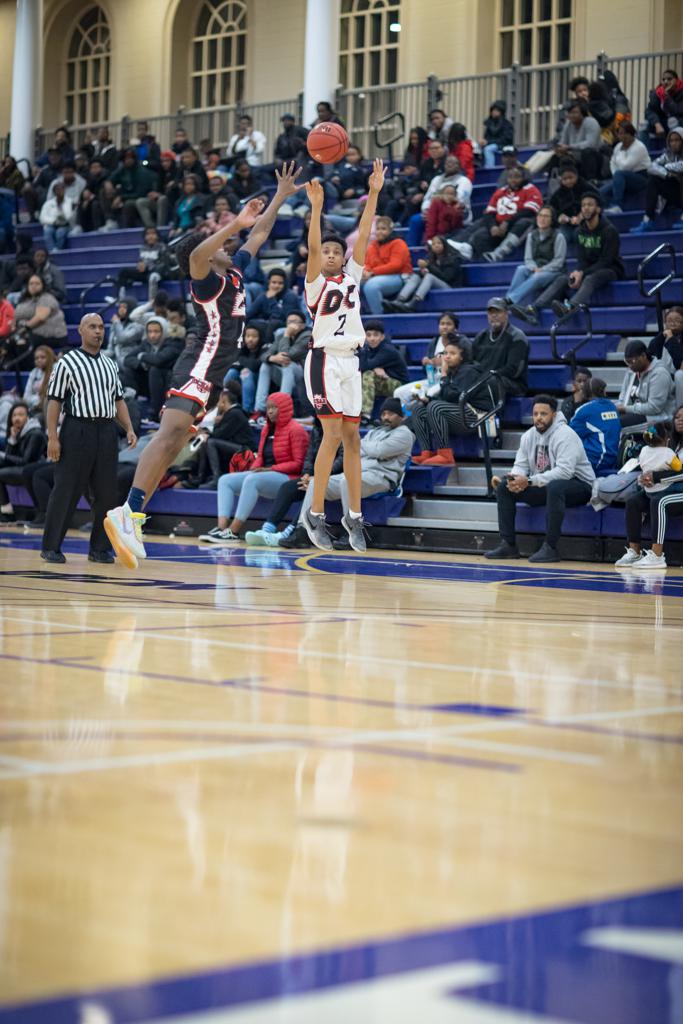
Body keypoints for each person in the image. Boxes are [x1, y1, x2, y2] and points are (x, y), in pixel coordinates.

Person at [104, 162, 306, 569]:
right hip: (198, 362)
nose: (229, 248)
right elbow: (197, 251)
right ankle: (126, 511)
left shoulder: (233, 273)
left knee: (176, 443)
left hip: (214, 374)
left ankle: (134, 515)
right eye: (222, 247)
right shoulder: (206, 279)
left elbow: (261, 233)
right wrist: (233, 224)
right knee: (168, 436)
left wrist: (281, 197)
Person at [300, 158, 385, 553]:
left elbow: (364, 232)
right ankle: (314, 514)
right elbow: (314, 245)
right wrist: (316, 209)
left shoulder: (353, 276)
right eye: (328, 252)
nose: (332, 254)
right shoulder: (315, 282)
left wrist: (375, 193)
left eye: (338, 250)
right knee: (331, 433)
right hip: (323, 360)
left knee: (353, 439)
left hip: (350, 361)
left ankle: (354, 515)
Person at [41, 314, 137, 564]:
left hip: (106, 431)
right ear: (81, 331)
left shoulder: (109, 363)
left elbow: (118, 399)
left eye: (101, 328)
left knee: (107, 493)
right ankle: (51, 546)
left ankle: (99, 548)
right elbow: (54, 401)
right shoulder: (67, 362)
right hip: (76, 429)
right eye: (92, 327)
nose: (98, 332)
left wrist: (128, 427)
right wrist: (53, 436)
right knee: (66, 489)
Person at [485, 394, 596, 563]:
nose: (538, 418)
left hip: (580, 486)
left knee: (556, 487)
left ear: (553, 414)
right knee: (503, 488)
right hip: (547, 485)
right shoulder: (528, 436)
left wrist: (529, 481)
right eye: (535, 414)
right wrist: (514, 479)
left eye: (543, 414)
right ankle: (508, 545)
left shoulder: (566, 435)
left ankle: (550, 548)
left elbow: (564, 472)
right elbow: (521, 465)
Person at [298, 396, 414, 550]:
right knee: (316, 482)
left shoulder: (405, 434)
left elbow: (378, 450)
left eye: (391, 414)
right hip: (361, 473)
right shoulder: (375, 432)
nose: (386, 417)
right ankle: (303, 530)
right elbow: (356, 448)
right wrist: (366, 446)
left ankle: (351, 530)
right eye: (384, 413)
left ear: (401, 415)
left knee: (349, 481)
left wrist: (364, 445)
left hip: (382, 478)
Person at [199, 392, 308, 543]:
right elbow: (261, 456)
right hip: (265, 475)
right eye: (268, 408)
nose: (269, 411)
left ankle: (234, 531)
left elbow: (298, 464)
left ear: (284, 409)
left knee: (252, 480)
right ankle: (222, 528)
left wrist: (270, 469)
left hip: (287, 478)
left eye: (274, 408)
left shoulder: (296, 430)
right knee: (225, 480)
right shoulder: (266, 429)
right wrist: (254, 467)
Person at [244, 416, 344, 547]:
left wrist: (321, 476)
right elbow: (309, 456)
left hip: (334, 477)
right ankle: (267, 529)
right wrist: (306, 474)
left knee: (313, 489)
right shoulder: (317, 428)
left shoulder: (344, 427)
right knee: (288, 488)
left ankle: (289, 533)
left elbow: (343, 458)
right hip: (314, 475)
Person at [534, 193, 625, 316]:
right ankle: (535, 308)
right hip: (589, 269)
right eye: (583, 205)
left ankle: (570, 307)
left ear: (598, 209)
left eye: (590, 205)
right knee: (564, 278)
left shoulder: (609, 231)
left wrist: (582, 273)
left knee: (590, 278)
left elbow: (606, 261)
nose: (586, 208)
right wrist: (578, 272)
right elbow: (582, 260)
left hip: (611, 269)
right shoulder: (578, 232)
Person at [617, 407, 683, 569]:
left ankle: (657, 555)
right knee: (633, 501)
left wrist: (656, 477)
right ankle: (634, 551)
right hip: (663, 488)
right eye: (677, 417)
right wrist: (644, 478)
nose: (680, 420)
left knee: (659, 502)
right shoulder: (667, 442)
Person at [409, 336, 485, 466]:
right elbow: (446, 397)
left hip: (476, 416)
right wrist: (426, 400)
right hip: (458, 413)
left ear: (462, 357)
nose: (447, 357)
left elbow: (455, 397)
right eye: (445, 353)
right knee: (419, 409)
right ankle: (426, 453)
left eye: (452, 353)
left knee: (435, 407)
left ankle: (445, 455)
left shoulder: (469, 371)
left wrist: (443, 375)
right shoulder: (453, 372)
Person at [448, 168, 542, 262]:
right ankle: (469, 251)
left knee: (525, 222)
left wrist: (507, 222)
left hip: (516, 226)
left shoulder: (531, 189)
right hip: (499, 227)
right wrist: (493, 226)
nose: (513, 180)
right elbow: (490, 212)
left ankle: (498, 253)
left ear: (523, 178)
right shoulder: (501, 191)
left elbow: (530, 211)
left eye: (517, 177)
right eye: (510, 177)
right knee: (480, 234)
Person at [184, 383, 254, 489]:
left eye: (219, 401)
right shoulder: (230, 414)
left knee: (210, 441)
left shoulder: (235, 414)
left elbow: (220, 435)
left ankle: (217, 478)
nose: (218, 405)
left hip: (245, 451)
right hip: (236, 447)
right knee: (205, 442)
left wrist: (212, 428)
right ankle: (200, 477)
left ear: (224, 401)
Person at [505, 206, 567, 324]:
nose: (542, 219)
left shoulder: (559, 236)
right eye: (540, 215)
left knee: (537, 276)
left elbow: (559, 261)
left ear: (552, 219)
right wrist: (533, 267)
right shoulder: (531, 235)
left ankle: (510, 300)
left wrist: (542, 269)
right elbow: (528, 258)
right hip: (536, 268)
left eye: (546, 216)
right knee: (521, 269)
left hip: (554, 271)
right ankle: (509, 300)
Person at [393, 312, 467, 407]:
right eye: (442, 324)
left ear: (456, 328)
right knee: (399, 393)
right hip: (432, 380)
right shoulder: (434, 342)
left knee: (427, 395)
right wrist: (427, 363)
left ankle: (415, 418)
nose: (444, 327)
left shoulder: (462, 342)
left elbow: (467, 364)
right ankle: (404, 418)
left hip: (450, 381)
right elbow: (426, 371)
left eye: (448, 324)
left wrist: (445, 362)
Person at [122, 315, 184, 421]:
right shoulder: (146, 343)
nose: (152, 335)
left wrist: (142, 356)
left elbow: (158, 360)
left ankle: (155, 414)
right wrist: (142, 364)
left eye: (156, 331)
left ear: (164, 331)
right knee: (128, 371)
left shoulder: (174, 342)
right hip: (150, 384)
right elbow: (127, 359)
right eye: (149, 332)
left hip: (169, 384)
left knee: (155, 370)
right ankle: (130, 406)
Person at [252, 310, 310, 416]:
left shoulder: (307, 336)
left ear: (303, 325)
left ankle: (282, 409)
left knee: (289, 365)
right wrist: (272, 358)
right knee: (265, 365)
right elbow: (264, 355)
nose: (291, 325)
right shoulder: (281, 336)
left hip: (302, 376)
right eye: (288, 322)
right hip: (284, 375)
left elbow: (287, 355)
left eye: (294, 321)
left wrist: (287, 335)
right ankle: (259, 409)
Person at [406, 154, 472, 246]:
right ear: (444, 165)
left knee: (443, 217)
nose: (450, 165)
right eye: (448, 162)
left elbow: (456, 200)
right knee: (415, 220)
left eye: (454, 163)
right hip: (433, 212)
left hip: (455, 214)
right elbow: (428, 198)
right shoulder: (436, 179)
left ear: (459, 166)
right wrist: (426, 210)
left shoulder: (464, 181)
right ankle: (412, 249)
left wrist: (438, 199)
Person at [387, 234, 462, 313]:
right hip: (434, 284)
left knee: (429, 277)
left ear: (445, 245)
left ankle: (412, 303)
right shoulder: (430, 258)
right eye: (433, 244)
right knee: (416, 276)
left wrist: (428, 267)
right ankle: (399, 300)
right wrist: (421, 272)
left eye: (439, 243)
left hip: (449, 287)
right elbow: (427, 271)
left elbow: (446, 277)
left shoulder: (452, 259)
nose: (436, 245)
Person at [471, 298, 529, 398]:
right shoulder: (481, 336)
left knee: (491, 382)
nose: (494, 315)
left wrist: (486, 376)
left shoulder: (517, 336)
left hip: (512, 383)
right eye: (491, 312)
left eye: (498, 311)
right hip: (484, 380)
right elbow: (472, 362)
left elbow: (514, 371)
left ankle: (485, 412)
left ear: (506, 314)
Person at [0, 401, 47, 522]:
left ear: (28, 417)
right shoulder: (19, 432)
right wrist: (12, 440)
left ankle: (8, 513)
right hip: (24, 469)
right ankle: (6, 511)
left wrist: (4, 456)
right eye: (14, 415)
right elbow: (10, 459)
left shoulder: (35, 433)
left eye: (21, 415)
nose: (17, 418)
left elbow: (26, 460)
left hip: (34, 470)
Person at [630, 127, 683, 233]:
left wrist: (667, 167)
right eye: (671, 141)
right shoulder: (667, 155)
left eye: (677, 140)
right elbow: (651, 167)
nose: (673, 143)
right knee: (653, 179)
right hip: (676, 196)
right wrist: (667, 174)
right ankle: (648, 220)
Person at [358, 320, 409, 421]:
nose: (372, 338)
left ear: (382, 337)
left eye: (376, 335)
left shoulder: (387, 349)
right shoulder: (368, 349)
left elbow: (363, 366)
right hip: (383, 382)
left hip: (399, 385)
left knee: (368, 374)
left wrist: (370, 366)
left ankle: (366, 415)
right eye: (368, 335)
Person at [360, 216, 412, 314]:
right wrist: (365, 271)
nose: (380, 232)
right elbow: (367, 263)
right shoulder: (373, 245)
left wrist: (372, 272)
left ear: (391, 230)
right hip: (377, 276)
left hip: (399, 277)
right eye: (378, 229)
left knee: (371, 286)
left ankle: (379, 318)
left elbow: (396, 265)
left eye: (383, 229)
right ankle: (363, 314)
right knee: (352, 284)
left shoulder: (399, 243)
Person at [569, 377, 620, 476]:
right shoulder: (612, 406)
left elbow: (569, 436)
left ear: (585, 392)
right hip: (613, 458)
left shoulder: (584, 410)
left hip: (596, 461)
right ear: (603, 391)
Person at [616, 340, 675, 427]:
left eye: (632, 361)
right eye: (626, 362)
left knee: (617, 424)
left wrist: (626, 409)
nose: (629, 365)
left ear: (643, 356)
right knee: (608, 419)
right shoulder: (631, 372)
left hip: (658, 418)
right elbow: (623, 399)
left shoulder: (659, 373)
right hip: (637, 414)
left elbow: (654, 408)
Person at [13, 274, 68, 365]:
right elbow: (16, 315)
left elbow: (40, 317)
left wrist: (22, 328)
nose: (33, 286)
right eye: (31, 283)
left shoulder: (47, 298)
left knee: (23, 341)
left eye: (37, 283)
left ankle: (31, 368)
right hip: (32, 333)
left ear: (43, 285)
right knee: (9, 342)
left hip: (53, 336)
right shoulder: (25, 300)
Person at [599, 123, 651, 213]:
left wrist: (622, 152)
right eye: (619, 133)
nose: (621, 136)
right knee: (602, 191)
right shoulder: (618, 146)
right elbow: (612, 162)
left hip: (641, 178)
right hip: (622, 177)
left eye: (624, 133)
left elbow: (625, 166)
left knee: (620, 174)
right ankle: (606, 210)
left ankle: (617, 205)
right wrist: (615, 175)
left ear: (631, 134)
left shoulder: (639, 147)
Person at [116, 227, 170, 301]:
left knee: (153, 276)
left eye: (153, 233)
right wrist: (140, 266)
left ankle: (152, 302)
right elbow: (141, 261)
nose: (150, 236)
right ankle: (119, 298)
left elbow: (164, 264)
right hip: (145, 273)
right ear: (144, 237)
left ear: (157, 236)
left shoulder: (162, 247)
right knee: (124, 272)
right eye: (148, 234)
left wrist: (147, 267)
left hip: (158, 273)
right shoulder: (143, 248)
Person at [248, 268, 302, 343]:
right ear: (268, 282)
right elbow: (249, 313)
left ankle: (267, 346)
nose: (276, 286)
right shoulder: (264, 295)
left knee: (274, 322)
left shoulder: (290, 296)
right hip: (267, 324)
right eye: (274, 282)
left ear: (285, 284)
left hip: (285, 325)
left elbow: (283, 317)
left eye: (280, 283)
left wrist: (271, 300)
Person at [109, 151, 159, 228]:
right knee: (104, 192)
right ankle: (110, 220)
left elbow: (140, 193)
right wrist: (108, 183)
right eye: (126, 158)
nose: (128, 160)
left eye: (130, 158)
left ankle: (127, 229)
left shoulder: (141, 172)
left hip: (142, 197)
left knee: (128, 204)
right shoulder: (123, 169)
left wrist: (122, 198)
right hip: (127, 195)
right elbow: (112, 178)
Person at [554, 100, 602, 181]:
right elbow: (563, 141)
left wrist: (570, 147)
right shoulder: (568, 124)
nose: (572, 115)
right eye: (570, 113)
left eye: (575, 112)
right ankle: (559, 180)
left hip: (594, 157)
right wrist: (559, 148)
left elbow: (591, 144)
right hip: (575, 155)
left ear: (582, 113)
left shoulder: (590, 122)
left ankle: (591, 180)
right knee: (556, 156)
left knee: (588, 152)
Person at [224, 322, 264, 414]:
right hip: (242, 376)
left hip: (259, 378)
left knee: (246, 373)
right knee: (231, 372)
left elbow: (255, 365)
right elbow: (232, 364)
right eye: (248, 336)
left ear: (260, 337)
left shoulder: (264, 347)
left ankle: (247, 410)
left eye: (254, 336)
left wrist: (241, 360)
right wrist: (243, 362)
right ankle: (224, 405)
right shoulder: (241, 347)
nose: (250, 339)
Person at [549, 161, 594, 242]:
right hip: (566, 224)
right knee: (561, 237)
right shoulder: (558, 194)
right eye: (565, 179)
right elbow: (551, 208)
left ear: (576, 176)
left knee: (579, 234)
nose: (568, 181)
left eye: (571, 178)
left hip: (586, 221)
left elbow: (598, 203)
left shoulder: (587, 188)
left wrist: (583, 215)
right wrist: (559, 216)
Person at [648, 305, 683, 409]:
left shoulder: (671, 338)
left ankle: (680, 409)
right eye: (669, 320)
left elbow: (680, 362)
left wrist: (671, 340)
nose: (673, 323)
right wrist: (662, 338)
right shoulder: (659, 339)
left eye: (677, 320)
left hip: (679, 377)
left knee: (679, 375)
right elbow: (650, 356)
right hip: (663, 377)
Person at [106, 298, 145, 371]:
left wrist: (116, 323)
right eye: (120, 307)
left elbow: (122, 339)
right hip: (116, 363)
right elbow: (110, 350)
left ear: (131, 308)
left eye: (124, 307)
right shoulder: (116, 324)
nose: (121, 309)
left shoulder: (138, 326)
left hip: (129, 364)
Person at [645, 69, 683, 139]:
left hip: (679, 122)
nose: (666, 81)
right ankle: (647, 149)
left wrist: (667, 97)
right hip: (664, 122)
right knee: (644, 125)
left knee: (672, 121)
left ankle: (673, 147)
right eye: (663, 79)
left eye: (669, 79)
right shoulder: (658, 93)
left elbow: (678, 111)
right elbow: (649, 111)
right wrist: (657, 124)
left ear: (677, 81)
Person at [39, 181, 75, 252]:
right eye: (58, 189)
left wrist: (62, 218)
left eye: (62, 189)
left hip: (65, 225)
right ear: (54, 192)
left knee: (60, 233)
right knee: (47, 231)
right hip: (52, 224)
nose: (60, 191)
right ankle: (52, 251)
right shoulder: (48, 203)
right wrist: (54, 221)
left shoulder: (70, 201)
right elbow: (42, 218)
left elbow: (70, 215)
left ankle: (58, 251)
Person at [168, 175, 206, 239]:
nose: (188, 186)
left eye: (191, 184)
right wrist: (174, 229)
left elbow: (199, 218)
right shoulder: (179, 201)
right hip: (179, 231)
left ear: (196, 185)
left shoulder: (202, 199)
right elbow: (176, 219)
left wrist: (183, 228)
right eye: (186, 184)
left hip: (193, 230)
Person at [22, 345, 55, 416]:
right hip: (34, 408)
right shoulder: (34, 372)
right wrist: (38, 399)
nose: (39, 360)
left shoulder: (56, 369)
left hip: (50, 410)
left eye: (43, 357)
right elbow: (26, 397)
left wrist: (41, 400)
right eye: (36, 358)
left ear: (49, 357)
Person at [480, 100, 514, 168]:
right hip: (492, 144)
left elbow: (505, 139)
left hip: (503, 145)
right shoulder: (489, 123)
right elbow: (486, 137)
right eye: (493, 110)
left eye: (496, 111)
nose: (494, 112)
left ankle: (490, 168)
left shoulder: (507, 125)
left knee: (488, 149)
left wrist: (488, 142)